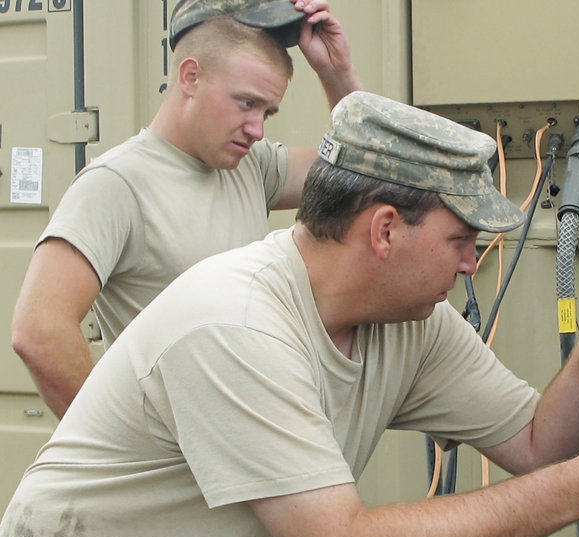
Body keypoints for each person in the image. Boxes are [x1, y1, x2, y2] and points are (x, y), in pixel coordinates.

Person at [0, 91, 579, 537]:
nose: (471, 264)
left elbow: (544, 444)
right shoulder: (236, 323)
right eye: (462, 240)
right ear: (384, 231)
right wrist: (571, 494)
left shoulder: (411, 320)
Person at [10, 0, 361, 419]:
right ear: (190, 77)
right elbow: (40, 330)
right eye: (246, 103)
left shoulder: (252, 166)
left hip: (246, 447)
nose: (257, 128)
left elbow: (364, 172)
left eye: (267, 111)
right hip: (172, 469)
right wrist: (121, 444)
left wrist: (336, 74)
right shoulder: (117, 184)